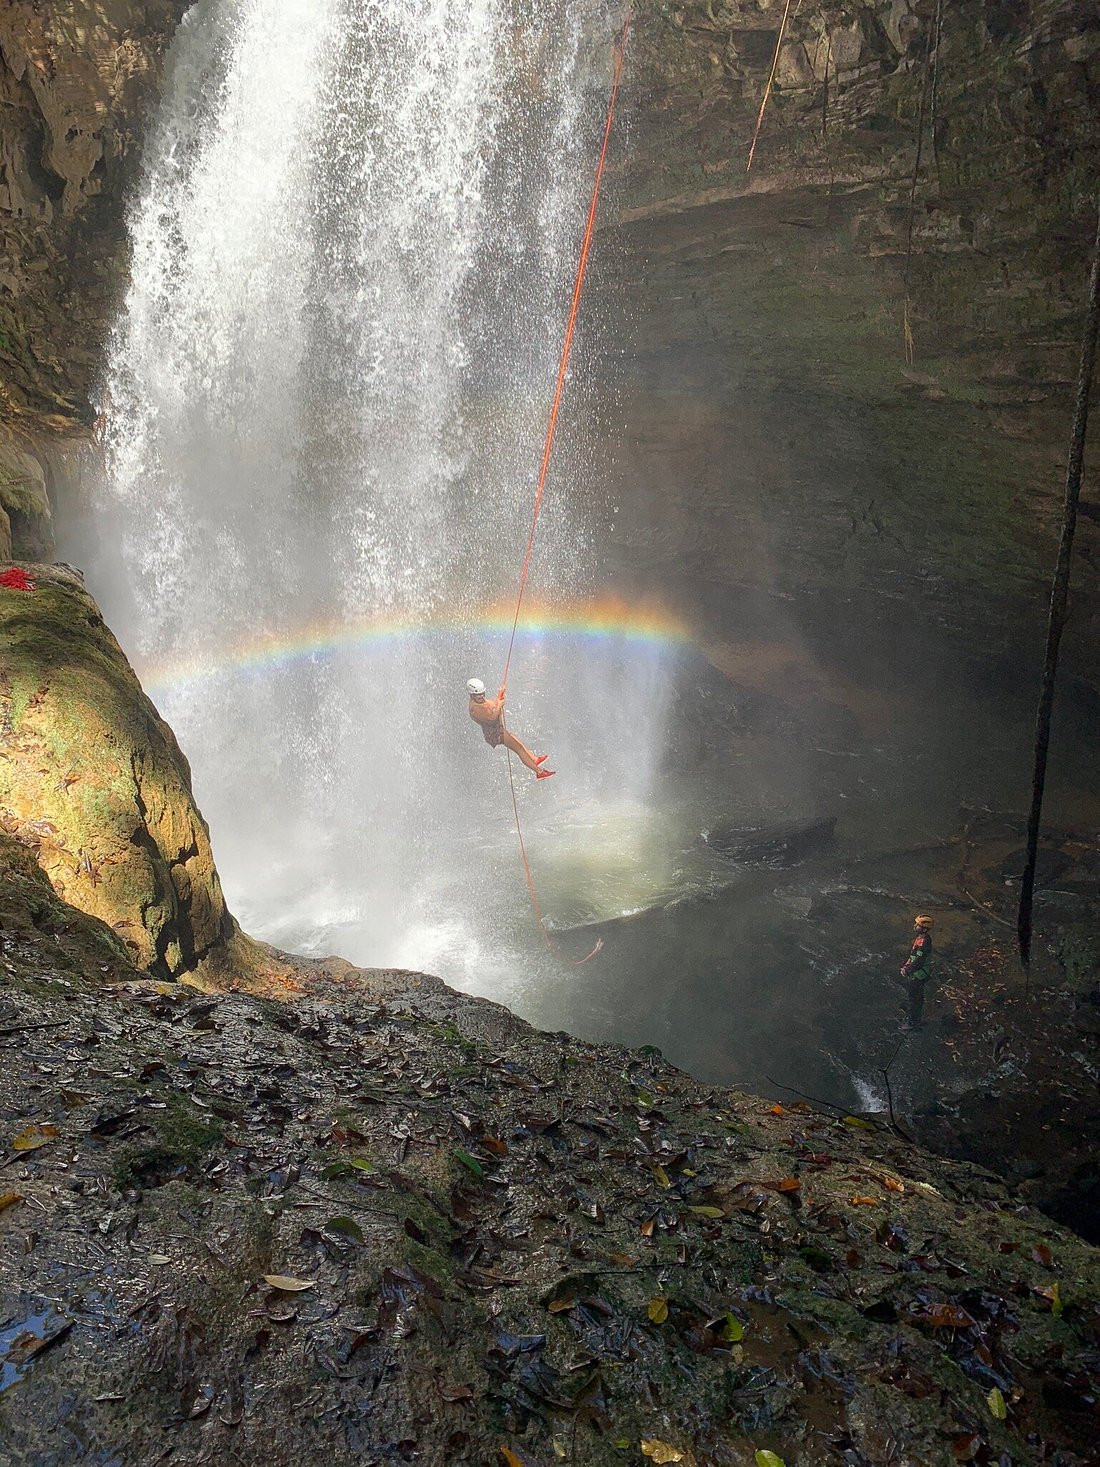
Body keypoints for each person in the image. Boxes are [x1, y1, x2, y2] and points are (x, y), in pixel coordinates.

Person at [466, 677, 554, 778]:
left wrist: (500, 695)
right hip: (495, 734)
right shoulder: (475, 708)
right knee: (519, 749)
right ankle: (539, 772)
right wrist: (500, 705)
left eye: (482, 693)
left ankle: (534, 759)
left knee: (518, 742)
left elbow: (492, 705)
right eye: (478, 695)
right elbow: (492, 718)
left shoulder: (479, 702)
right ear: (471, 694)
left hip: (497, 731)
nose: (481, 696)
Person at [900, 915, 933, 979]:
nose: (914, 925)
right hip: (915, 971)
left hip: (920, 974)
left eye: (918, 925)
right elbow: (913, 954)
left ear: (924, 929)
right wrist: (905, 965)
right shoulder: (920, 937)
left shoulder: (925, 942)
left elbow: (920, 960)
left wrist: (907, 970)